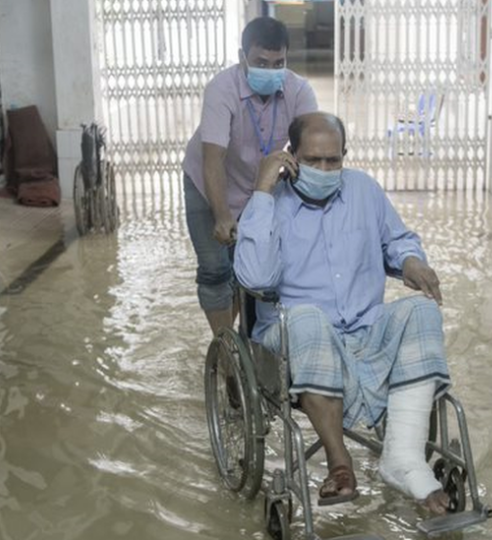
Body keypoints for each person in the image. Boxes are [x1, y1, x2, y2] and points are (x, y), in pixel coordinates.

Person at [234, 112, 453, 514]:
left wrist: (411, 263)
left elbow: (398, 241)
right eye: (312, 160)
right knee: (307, 319)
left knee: (422, 312)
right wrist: (262, 190)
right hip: (292, 333)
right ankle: (340, 464)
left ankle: (402, 457)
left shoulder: (364, 192)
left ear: (344, 157)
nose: (323, 169)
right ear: (291, 157)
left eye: (332, 160)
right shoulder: (271, 204)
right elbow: (254, 276)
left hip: (362, 327)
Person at [183, 17, 319, 335]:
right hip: (208, 182)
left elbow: (311, 143)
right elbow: (213, 158)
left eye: (278, 63)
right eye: (260, 62)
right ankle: (224, 345)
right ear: (243, 56)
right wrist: (221, 216)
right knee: (216, 269)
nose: (270, 70)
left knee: (257, 267)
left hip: (258, 186)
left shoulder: (298, 90)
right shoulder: (222, 88)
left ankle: (244, 337)